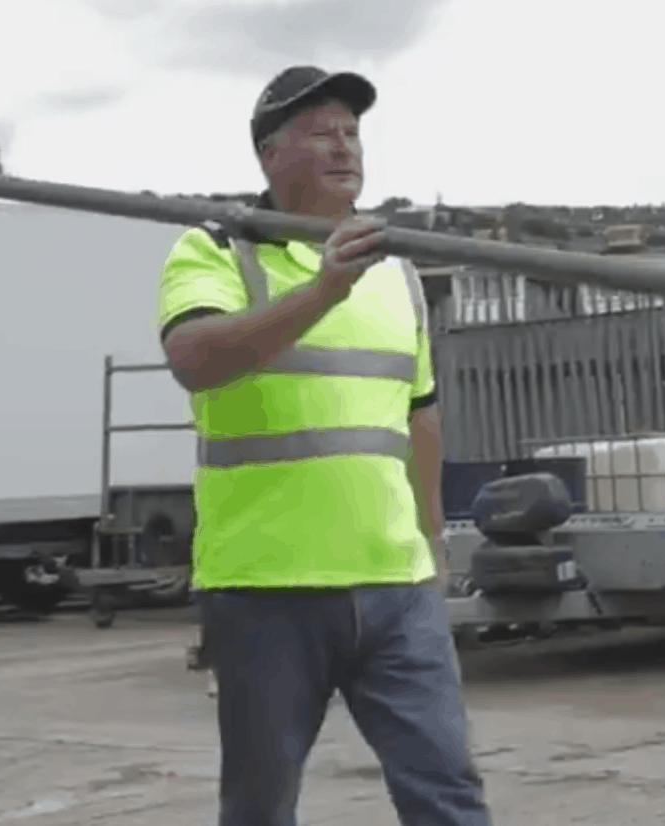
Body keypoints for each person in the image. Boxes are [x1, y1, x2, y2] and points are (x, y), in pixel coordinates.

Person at [155, 65, 492, 826]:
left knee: (448, 792)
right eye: (321, 133)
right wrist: (320, 292)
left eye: (353, 133)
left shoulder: (396, 272)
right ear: (271, 155)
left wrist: (433, 540)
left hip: (395, 587)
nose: (344, 148)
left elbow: (420, 414)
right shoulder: (214, 252)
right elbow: (195, 358)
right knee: (261, 804)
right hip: (267, 590)